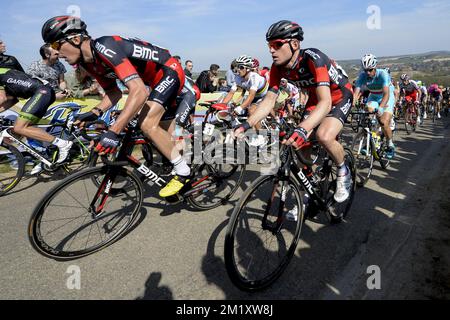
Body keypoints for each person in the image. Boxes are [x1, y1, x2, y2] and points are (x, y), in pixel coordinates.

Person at [42, 15, 191, 198]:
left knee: (146, 123)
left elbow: (138, 91)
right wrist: (93, 113)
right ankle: (184, 157)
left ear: (75, 39)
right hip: (152, 81)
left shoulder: (104, 46)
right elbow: (114, 93)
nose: (57, 53)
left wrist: (113, 131)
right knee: (162, 131)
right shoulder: (88, 63)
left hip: (169, 71)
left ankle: (183, 172)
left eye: (56, 45)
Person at [234, 20, 353, 203]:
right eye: (269, 46)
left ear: (295, 44)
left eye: (277, 44)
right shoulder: (277, 68)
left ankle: (343, 170)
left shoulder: (314, 58)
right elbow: (269, 101)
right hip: (316, 99)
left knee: (324, 136)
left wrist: (303, 128)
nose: (271, 50)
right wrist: (247, 124)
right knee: (298, 145)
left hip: (339, 96)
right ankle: (309, 186)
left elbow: (326, 102)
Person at [0, 67, 73, 174]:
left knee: (19, 127)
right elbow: (11, 100)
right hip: (42, 92)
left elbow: (2, 98)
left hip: (41, 92)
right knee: (18, 131)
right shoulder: (5, 75)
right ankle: (45, 158)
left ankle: (63, 144)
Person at [354, 54, 397, 159]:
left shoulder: (383, 74)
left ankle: (390, 144)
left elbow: (386, 94)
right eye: (365, 70)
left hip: (386, 97)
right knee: (368, 115)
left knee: (383, 121)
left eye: (370, 70)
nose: (368, 73)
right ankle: (370, 141)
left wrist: (381, 108)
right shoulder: (362, 76)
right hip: (373, 97)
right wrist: (352, 103)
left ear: (375, 66)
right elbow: (356, 93)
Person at [222, 55, 269, 138]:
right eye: (237, 67)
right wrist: (222, 106)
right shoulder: (237, 78)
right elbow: (231, 93)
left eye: (241, 67)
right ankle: (254, 133)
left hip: (266, 94)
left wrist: (240, 108)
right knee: (248, 115)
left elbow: (251, 96)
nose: (238, 70)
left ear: (247, 69)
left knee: (252, 111)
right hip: (257, 96)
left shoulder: (254, 77)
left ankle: (262, 137)